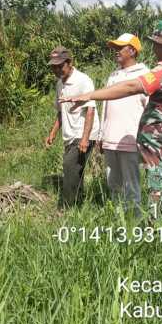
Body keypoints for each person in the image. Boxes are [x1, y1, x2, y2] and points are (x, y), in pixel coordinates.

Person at [60, 21, 162, 220]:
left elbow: (132, 87)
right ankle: (144, 233)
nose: (153, 48)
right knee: (160, 200)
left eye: (156, 44)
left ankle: (154, 240)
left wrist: (88, 95)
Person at [99, 33, 149, 214]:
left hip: (131, 140)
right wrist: (101, 135)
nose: (116, 52)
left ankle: (134, 221)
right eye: (115, 48)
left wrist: (146, 140)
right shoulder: (113, 75)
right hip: (110, 139)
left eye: (120, 48)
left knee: (131, 185)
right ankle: (118, 218)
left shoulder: (144, 75)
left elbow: (149, 109)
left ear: (133, 50)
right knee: (113, 183)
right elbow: (105, 105)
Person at [45, 46, 100, 207]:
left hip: (84, 133)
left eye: (60, 66)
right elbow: (61, 112)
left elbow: (90, 109)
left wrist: (85, 139)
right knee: (77, 170)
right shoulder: (59, 84)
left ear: (69, 62)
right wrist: (52, 133)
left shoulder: (83, 80)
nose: (56, 70)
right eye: (53, 67)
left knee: (69, 167)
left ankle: (66, 207)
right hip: (69, 134)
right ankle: (79, 204)